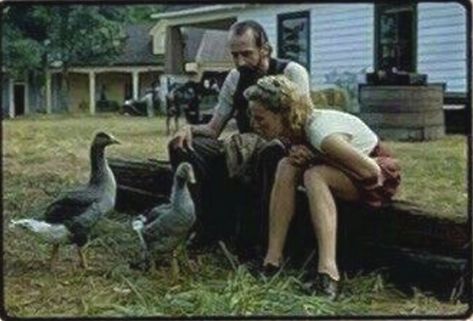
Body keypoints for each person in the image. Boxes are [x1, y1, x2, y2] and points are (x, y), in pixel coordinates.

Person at [243, 75, 401, 299]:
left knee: (313, 175)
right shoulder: (293, 129)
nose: (254, 124)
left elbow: (371, 173)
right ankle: (272, 260)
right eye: (252, 117)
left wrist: (316, 157)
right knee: (286, 166)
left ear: (283, 114)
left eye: (260, 119)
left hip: (375, 176)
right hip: (342, 171)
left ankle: (328, 273)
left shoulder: (320, 132)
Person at [168, 20, 310, 253]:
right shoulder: (235, 77)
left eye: (246, 54)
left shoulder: (291, 72)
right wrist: (189, 129)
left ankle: (261, 243)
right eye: (235, 55)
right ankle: (205, 226)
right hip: (243, 150)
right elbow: (214, 129)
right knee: (183, 147)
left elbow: (302, 123)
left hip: (281, 148)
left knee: (270, 151)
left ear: (264, 48)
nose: (240, 61)